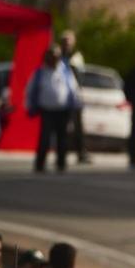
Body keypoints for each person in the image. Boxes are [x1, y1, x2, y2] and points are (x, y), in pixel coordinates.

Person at [25, 46, 81, 174]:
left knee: (62, 138)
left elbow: (73, 89)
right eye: (50, 57)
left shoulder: (65, 71)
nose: (53, 60)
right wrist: (29, 105)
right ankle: (40, 164)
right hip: (47, 110)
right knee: (44, 138)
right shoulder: (40, 72)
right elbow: (30, 90)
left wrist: (75, 105)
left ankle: (61, 163)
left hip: (63, 110)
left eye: (55, 57)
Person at [59, 30, 89, 166]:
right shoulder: (57, 55)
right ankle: (61, 155)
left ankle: (81, 153)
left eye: (69, 40)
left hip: (74, 96)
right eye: (64, 40)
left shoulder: (76, 57)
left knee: (78, 127)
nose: (66, 43)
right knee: (62, 127)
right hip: (60, 96)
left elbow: (81, 76)